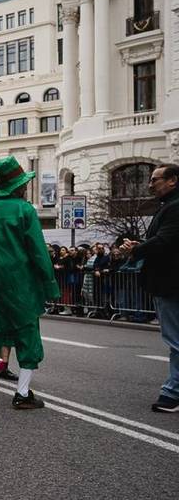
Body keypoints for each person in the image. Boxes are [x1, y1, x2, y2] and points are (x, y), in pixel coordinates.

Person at [0, 156, 60, 410]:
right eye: (23, 183)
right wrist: (50, 284)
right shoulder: (24, 210)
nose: (26, 187)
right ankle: (23, 393)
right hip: (21, 284)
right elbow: (38, 251)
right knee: (27, 333)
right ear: (17, 185)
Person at [121, 163, 179, 413]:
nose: (150, 184)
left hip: (171, 284)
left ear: (172, 181)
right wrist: (141, 245)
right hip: (168, 282)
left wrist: (136, 249)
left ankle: (173, 392)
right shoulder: (168, 207)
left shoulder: (175, 207)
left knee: (175, 340)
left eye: (155, 179)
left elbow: (165, 241)